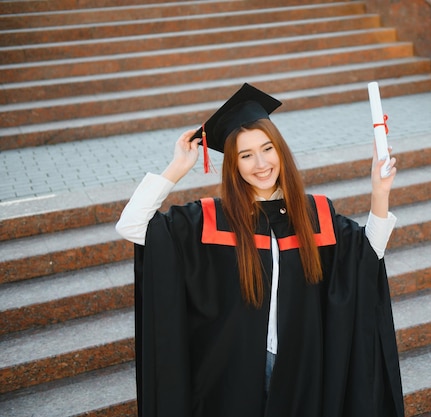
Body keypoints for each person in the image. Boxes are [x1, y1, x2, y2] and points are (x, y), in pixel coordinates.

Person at [116, 83, 404, 417]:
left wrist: (379, 192)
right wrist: (177, 168)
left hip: (301, 369)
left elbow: (368, 255)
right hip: (229, 375)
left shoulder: (315, 214)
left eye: (267, 149)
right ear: (234, 164)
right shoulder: (209, 219)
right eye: (246, 155)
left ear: (280, 151)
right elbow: (132, 226)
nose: (261, 163)